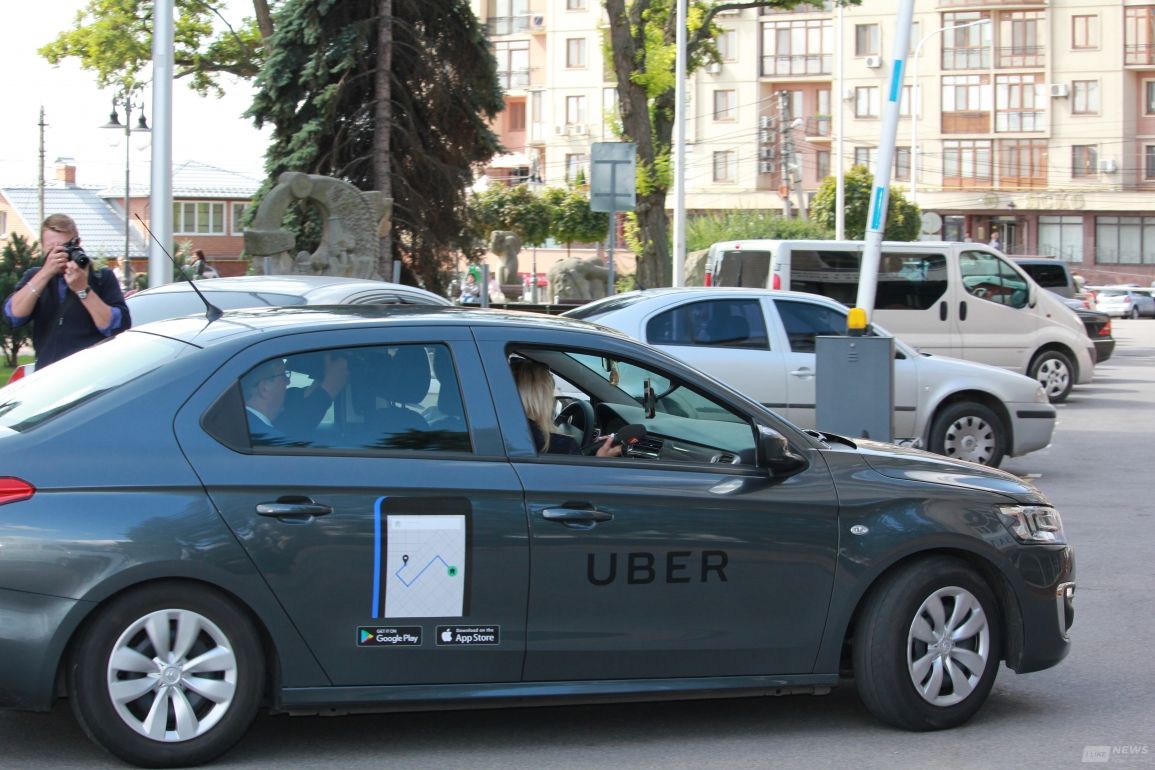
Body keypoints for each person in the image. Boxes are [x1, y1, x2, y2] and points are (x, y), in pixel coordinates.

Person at [3, 213, 131, 369]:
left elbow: (117, 326)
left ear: (78, 243)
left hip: (91, 372)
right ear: (42, 247)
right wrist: (45, 273)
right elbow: (13, 316)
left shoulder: (102, 278)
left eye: (64, 248)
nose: (59, 255)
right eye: (52, 249)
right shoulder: (35, 277)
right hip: (48, 373)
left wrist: (83, 289)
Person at [511, 359, 620, 457]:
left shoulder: (508, 435)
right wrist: (601, 460)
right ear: (541, 399)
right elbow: (582, 473)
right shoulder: (563, 447)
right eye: (550, 392)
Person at [243, 358, 292, 446]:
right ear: (264, 388)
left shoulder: (235, 424)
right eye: (284, 376)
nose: (288, 382)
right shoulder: (275, 442)